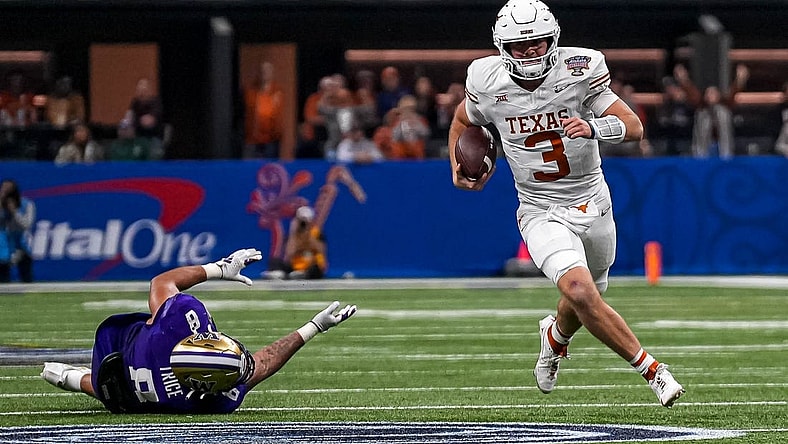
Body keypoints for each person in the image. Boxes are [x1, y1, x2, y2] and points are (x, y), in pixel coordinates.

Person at [448, 0, 684, 407]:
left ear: (552, 40)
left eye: (537, 43)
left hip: (592, 201)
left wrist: (593, 127)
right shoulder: (485, 79)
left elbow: (634, 127)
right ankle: (652, 370)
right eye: (519, 46)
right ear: (501, 47)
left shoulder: (578, 69)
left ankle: (554, 337)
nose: (530, 52)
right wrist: (457, 163)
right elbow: (463, 120)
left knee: (585, 296)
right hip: (539, 208)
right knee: (578, 288)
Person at [40, 247, 356, 414]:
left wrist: (218, 268)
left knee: (110, 385)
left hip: (118, 346)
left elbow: (161, 282)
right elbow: (262, 363)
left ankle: (72, 378)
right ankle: (73, 379)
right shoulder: (214, 401)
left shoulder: (178, 321)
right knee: (119, 396)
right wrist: (313, 328)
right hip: (133, 388)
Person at [264, 206, 327, 280]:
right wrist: (293, 232)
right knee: (275, 261)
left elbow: (321, 250)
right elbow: (289, 253)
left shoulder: (317, 233)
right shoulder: (293, 235)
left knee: (315, 269)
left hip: (310, 266)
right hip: (295, 267)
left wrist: (308, 233)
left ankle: (303, 275)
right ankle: (279, 274)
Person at [243, 61, 284, 159]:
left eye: (268, 70)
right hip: (252, 139)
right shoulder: (251, 92)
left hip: (271, 139)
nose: (265, 73)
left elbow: (276, 115)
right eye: (263, 70)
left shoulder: (277, 92)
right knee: (250, 167)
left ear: (272, 73)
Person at [0, 179, 35, 282]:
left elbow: (27, 225)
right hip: (3, 245)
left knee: (26, 277)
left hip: (20, 244)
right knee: (2, 277)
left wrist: (15, 212)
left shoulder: (27, 204)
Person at [126, 77, 165, 159]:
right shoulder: (135, 103)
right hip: (138, 137)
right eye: (139, 90)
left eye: (144, 90)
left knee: (153, 155)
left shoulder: (156, 102)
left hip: (153, 137)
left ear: (148, 90)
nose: (141, 92)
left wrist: (144, 120)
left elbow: (149, 121)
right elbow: (129, 118)